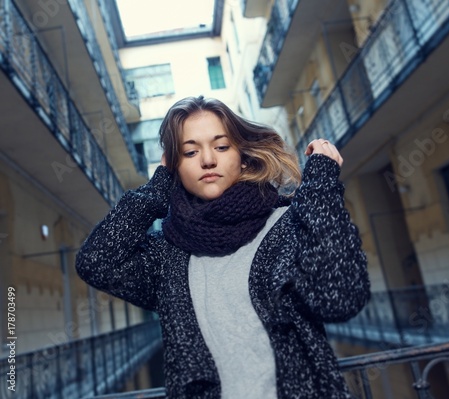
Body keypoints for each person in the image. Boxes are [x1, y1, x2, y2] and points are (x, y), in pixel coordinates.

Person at [76, 95, 370, 399]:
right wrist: (157, 187)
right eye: (190, 152)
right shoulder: (167, 256)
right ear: (174, 167)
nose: (207, 160)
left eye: (221, 146)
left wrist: (322, 187)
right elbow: (96, 261)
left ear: (241, 155)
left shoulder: (288, 225)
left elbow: (341, 298)